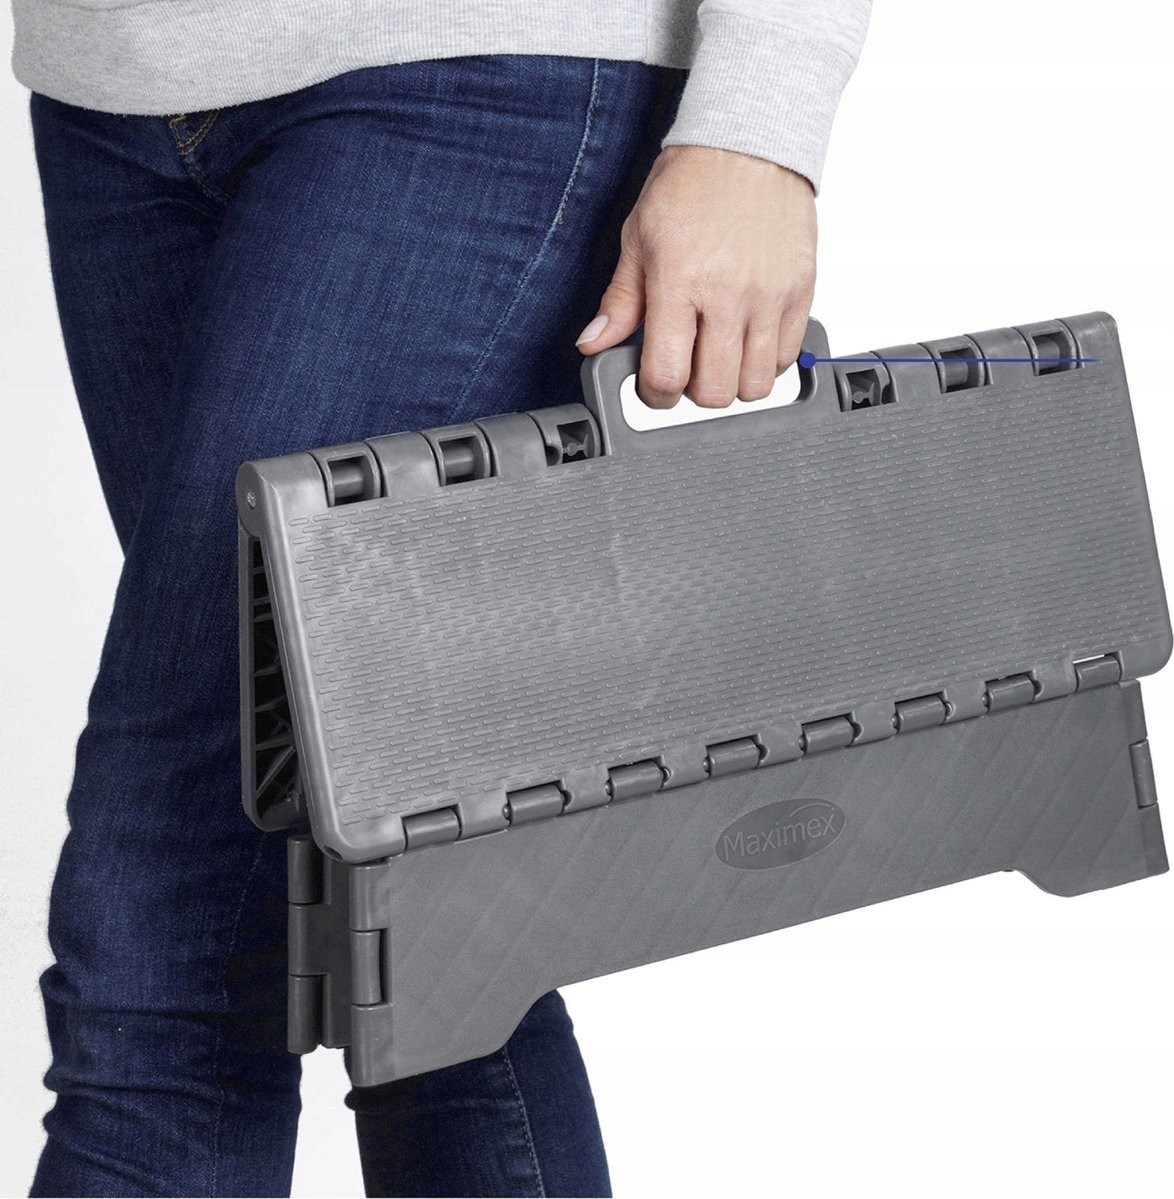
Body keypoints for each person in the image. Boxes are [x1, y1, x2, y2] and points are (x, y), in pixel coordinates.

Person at [12, 0, 871, 1194]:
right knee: (414, 910)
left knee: (176, 923)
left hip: (472, 74)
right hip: (110, 89)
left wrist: (759, 121)